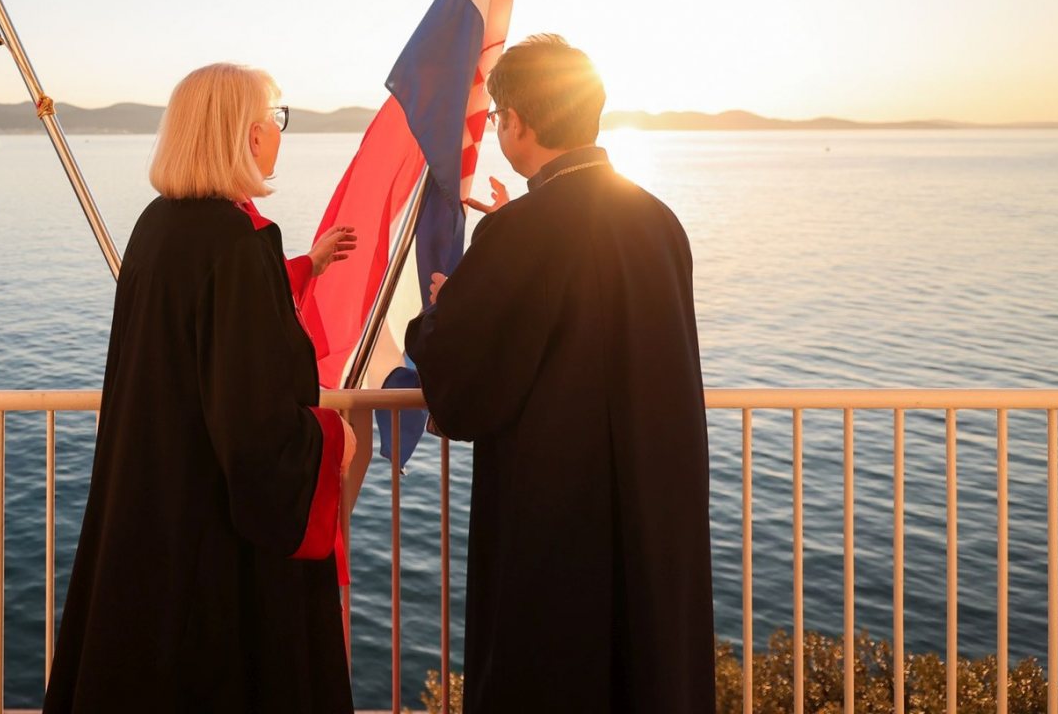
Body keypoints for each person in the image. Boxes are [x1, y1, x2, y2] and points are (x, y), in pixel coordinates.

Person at [405, 35, 714, 714]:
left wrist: (442, 312)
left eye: (497, 118)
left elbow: (465, 387)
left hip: (556, 516)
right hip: (655, 505)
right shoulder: (659, 222)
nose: (496, 130)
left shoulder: (521, 231)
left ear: (518, 121)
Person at [43, 63, 357, 714]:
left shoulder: (157, 225)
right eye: (277, 117)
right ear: (248, 135)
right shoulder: (236, 242)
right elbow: (256, 433)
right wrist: (334, 439)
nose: (279, 131)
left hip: (151, 507)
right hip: (214, 541)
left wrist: (308, 264)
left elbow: (204, 332)